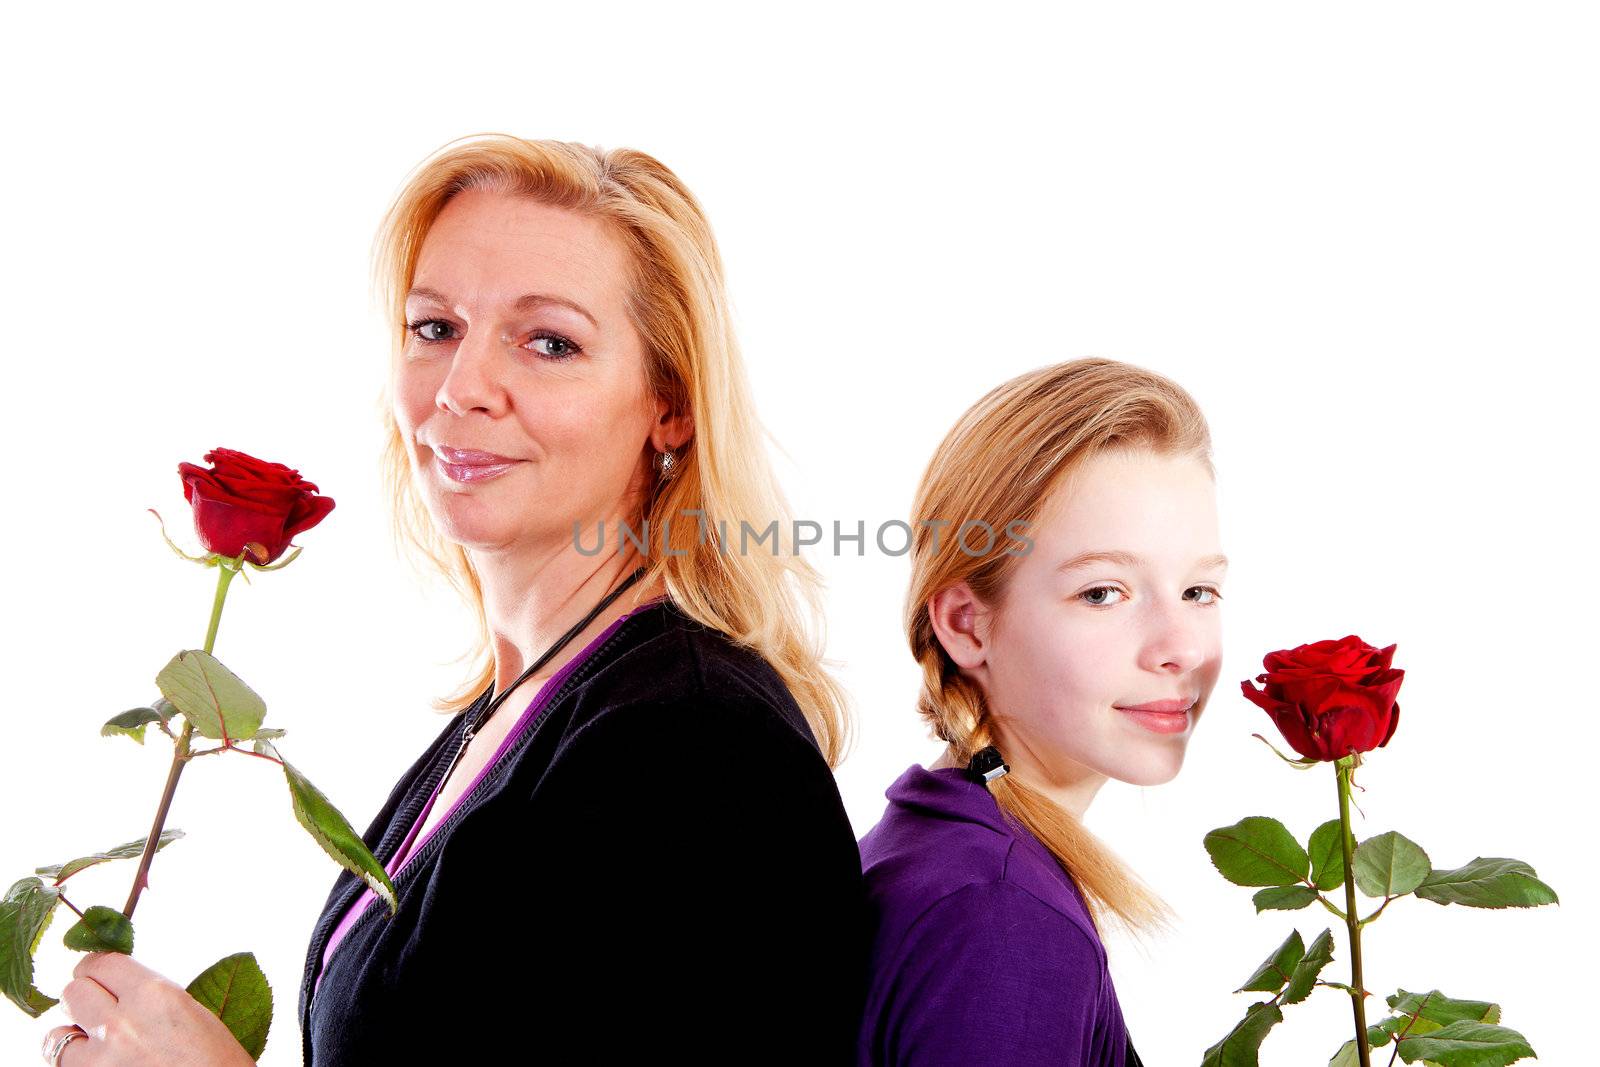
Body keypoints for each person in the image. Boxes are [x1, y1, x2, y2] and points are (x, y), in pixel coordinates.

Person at [41, 135, 868, 1066]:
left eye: (550, 342)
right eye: (435, 328)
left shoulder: (695, 742)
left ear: (668, 404)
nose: (462, 389)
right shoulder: (528, 697)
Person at [856, 358, 1227, 1066]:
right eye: (1103, 592)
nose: (1179, 647)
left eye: (1198, 590)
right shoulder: (998, 918)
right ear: (968, 624)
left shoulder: (952, 853)